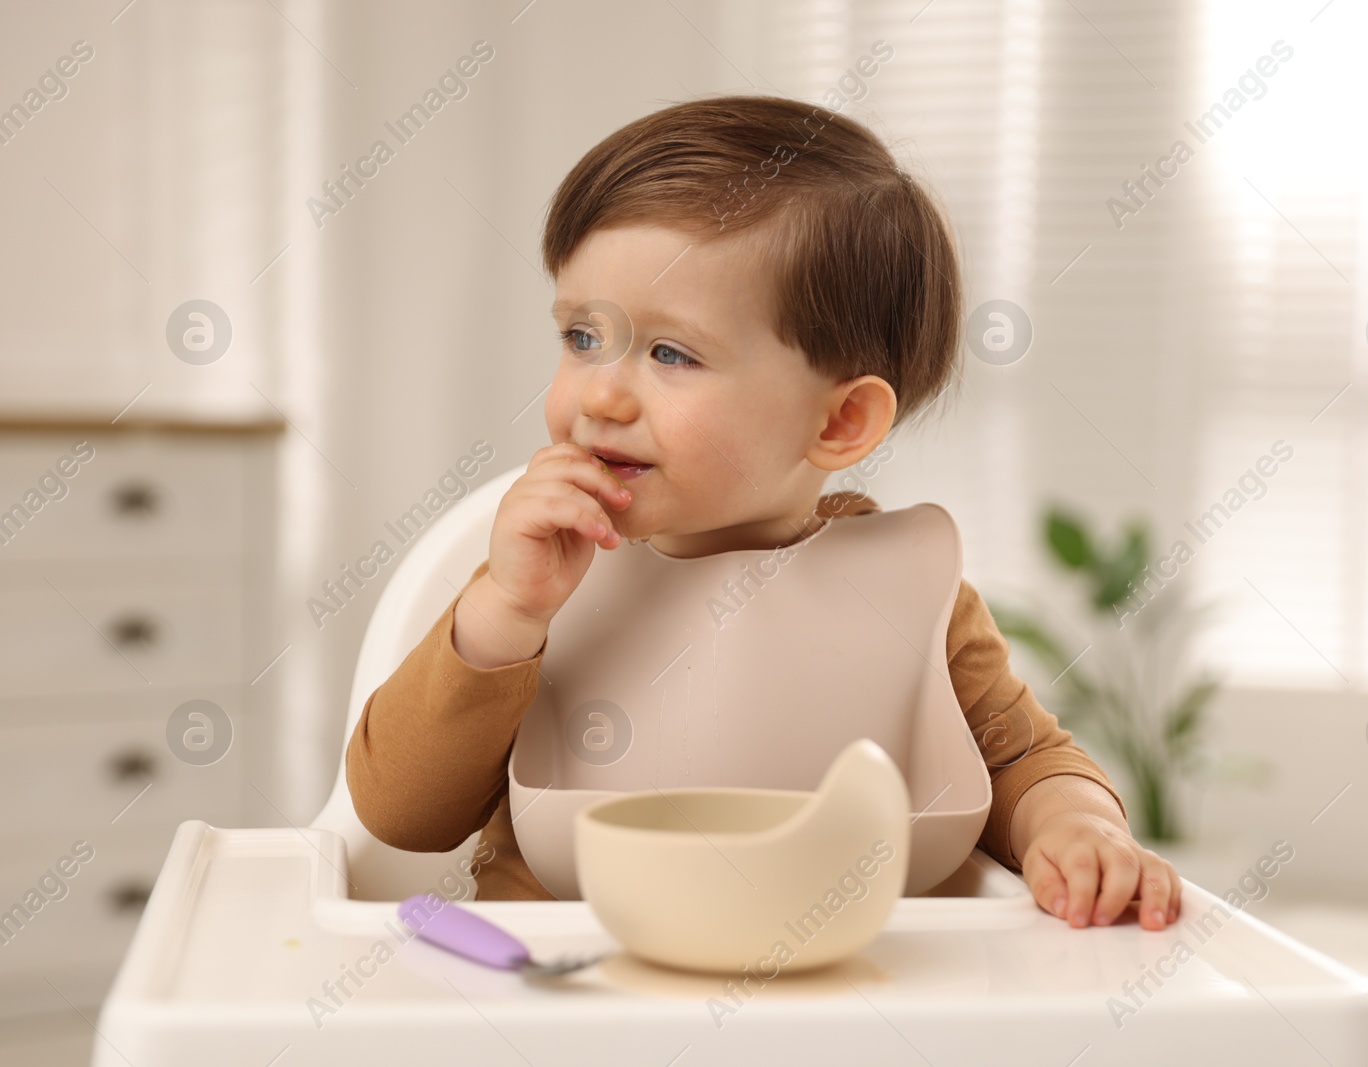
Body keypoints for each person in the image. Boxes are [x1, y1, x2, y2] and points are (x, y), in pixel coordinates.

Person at [347, 94, 1181, 931]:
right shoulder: (535, 578)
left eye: (672, 352)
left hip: (848, 995)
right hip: (566, 990)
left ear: (838, 421)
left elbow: (1021, 760)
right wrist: (506, 613)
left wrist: (1076, 824)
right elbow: (402, 814)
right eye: (583, 337)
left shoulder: (906, 589)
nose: (600, 391)